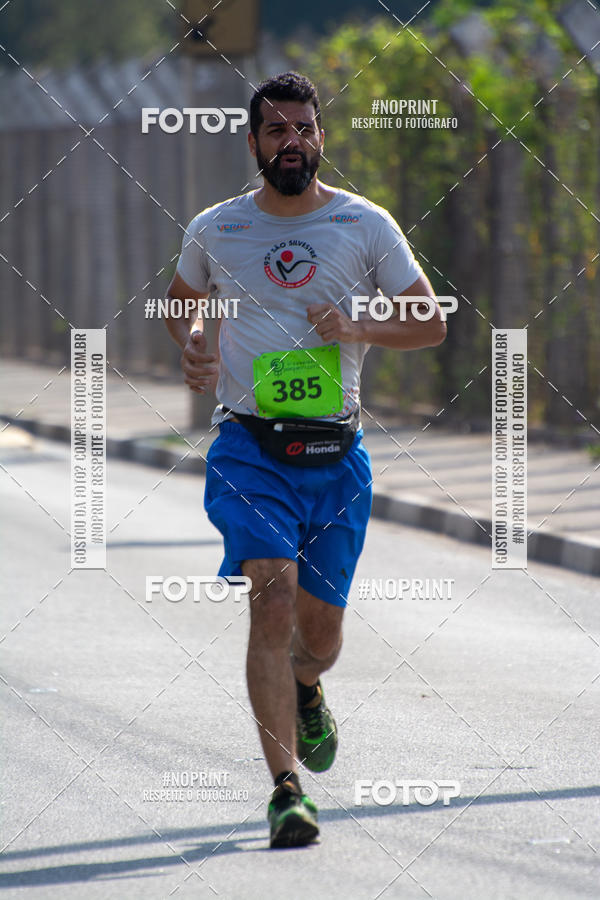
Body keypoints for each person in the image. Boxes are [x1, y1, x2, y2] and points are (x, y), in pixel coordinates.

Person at [164, 71, 446, 848]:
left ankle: (307, 685)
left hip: (337, 455)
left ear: (321, 138)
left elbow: (428, 322)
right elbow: (182, 303)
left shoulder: (364, 223)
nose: (292, 141)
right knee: (273, 598)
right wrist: (194, 341)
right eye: (276, 130)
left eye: (304, 128)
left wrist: (356, 326)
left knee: (320, 639)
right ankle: (286, 791)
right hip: (249, 448)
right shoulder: (217, 227)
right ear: (253, 143)